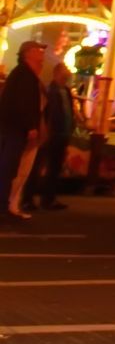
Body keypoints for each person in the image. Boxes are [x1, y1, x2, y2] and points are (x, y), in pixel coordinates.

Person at [0, 42, 46, 224]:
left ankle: (5, 204)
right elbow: (22, 103)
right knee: (8, 167)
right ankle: (2, 206)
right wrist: (30, 126)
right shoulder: (24, 75)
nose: (41, 54)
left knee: (9, 167)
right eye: (38, 50)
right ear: (28, 53)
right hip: (15, 129)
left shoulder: (23, 74)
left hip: (13, 127)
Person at [29, 59, 76, 211]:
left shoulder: (66, 91)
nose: (68, 71)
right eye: (65, 69)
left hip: (62, 134)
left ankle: (48, 199)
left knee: (55, 167)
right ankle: (28, 198)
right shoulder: (51, 90)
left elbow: (67, 112)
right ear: (57, 73)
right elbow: (49, 113)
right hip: (51, 133)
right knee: (39, 166)